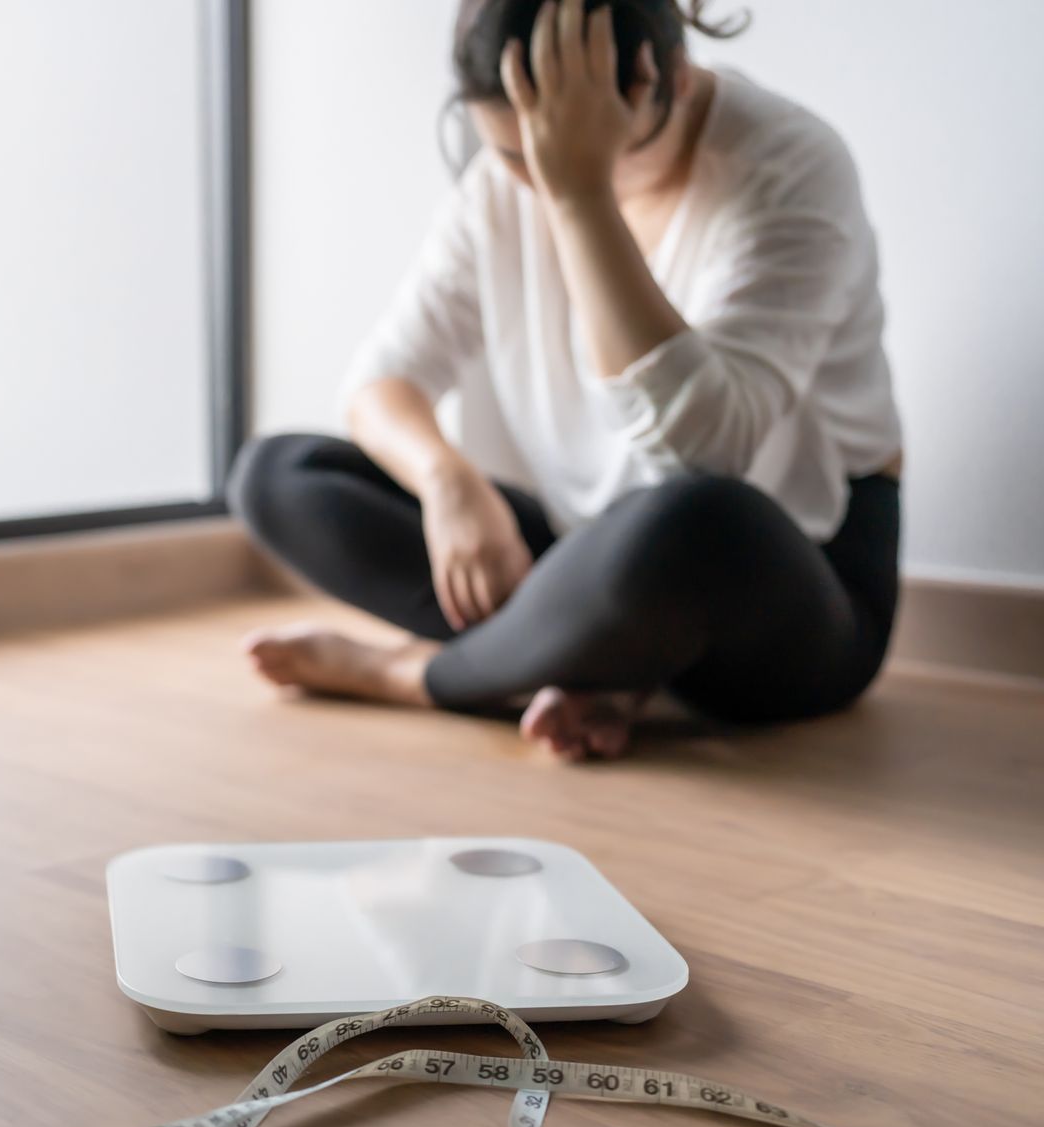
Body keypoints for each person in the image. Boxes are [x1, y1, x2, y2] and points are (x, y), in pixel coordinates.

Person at [231, 0, 903, 761]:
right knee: (278, 472)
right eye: (520, 158)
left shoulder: (791, 164)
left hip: (778, 586)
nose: (537, 181)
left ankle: (422, 676)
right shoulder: (501, 181)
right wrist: (448, 481)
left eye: (580, 152)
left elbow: (707, 449)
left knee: (691, 522)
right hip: (583, 562)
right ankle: (578, 659)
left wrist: (580, 196)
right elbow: (382, 382)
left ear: (673, 82)